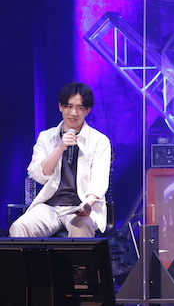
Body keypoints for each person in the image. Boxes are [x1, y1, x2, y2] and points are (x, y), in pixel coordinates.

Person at [10, 82, 111, 238]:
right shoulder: (46, 137)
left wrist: (87, 204)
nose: (73, 113)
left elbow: (99, 181)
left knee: (81, 225)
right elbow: (39, 174)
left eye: (80, 108)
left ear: (87, 110)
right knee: (19, 227)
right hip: (50, 206)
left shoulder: (99, 141)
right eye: (69, 106)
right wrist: (60, 148)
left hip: (81, 206)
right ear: (60, 106)